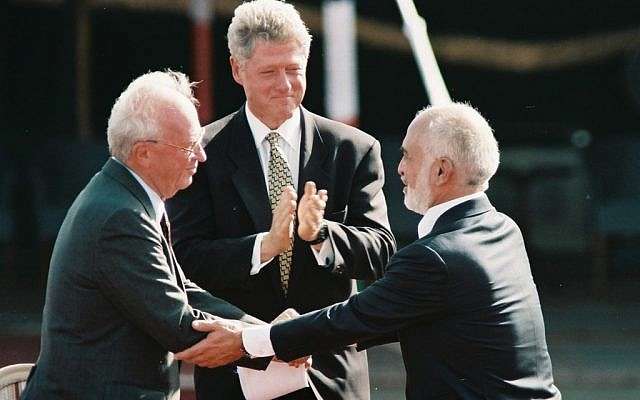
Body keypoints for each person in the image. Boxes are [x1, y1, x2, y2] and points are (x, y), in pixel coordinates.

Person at [176, 103, 562, 400]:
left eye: (409, 156)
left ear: (442, 171)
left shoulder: (435, 256)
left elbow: (358, 316)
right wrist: (295, 336)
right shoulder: (501, 229)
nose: (400, 169)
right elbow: (383, 316)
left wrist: (251, 341)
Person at [166, 0, 396, 398]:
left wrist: (321, 233)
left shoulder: (352, 149)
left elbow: (382, 253)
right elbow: (185, 260)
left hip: (328, 376)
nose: (285, 85)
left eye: (294, 70)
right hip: (236, 373)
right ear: (237, 70)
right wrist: (262, 247)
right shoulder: (202, 153)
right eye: (269, 72)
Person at [21, 70, 266, 400]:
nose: (201, 156)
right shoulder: (120, 216)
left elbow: (183, 292)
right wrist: (270, 342)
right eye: (190, 145)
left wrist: (262, 329)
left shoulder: (127, 196)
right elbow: (180, 326)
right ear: (144, 153)